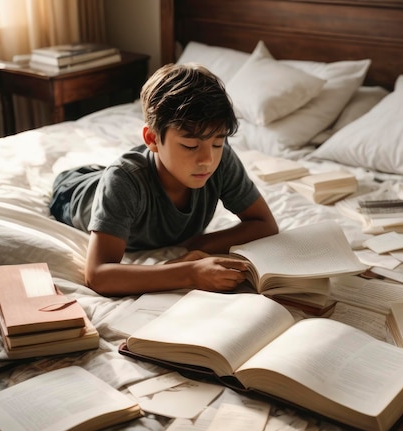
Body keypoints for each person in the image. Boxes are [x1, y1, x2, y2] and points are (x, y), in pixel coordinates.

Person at [49, 63, 278, 296]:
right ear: (152, 138)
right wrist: (190, 272)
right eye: (190, 145)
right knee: (117, 175)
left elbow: (265, 224)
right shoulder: (124, 180)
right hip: (72, 191)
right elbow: (98, 276)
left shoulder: (221, 160)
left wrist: (197, 245)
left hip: (127, 174)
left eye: (217, 143)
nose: (207, 159)